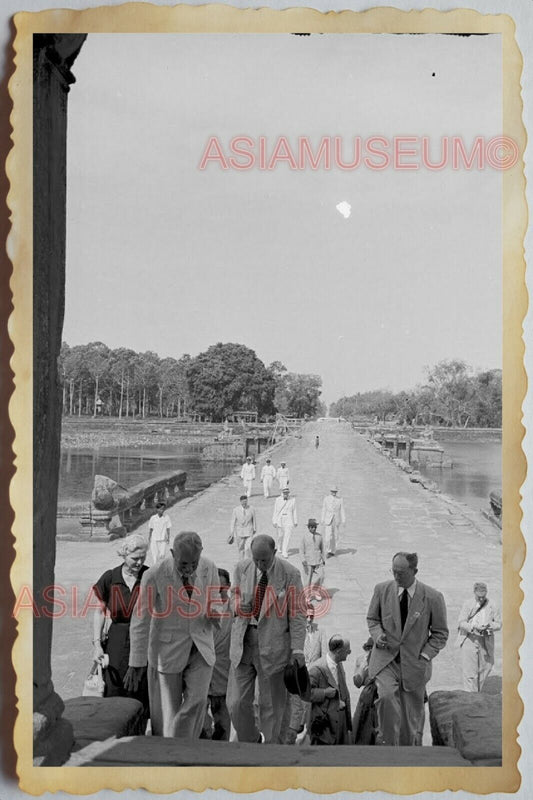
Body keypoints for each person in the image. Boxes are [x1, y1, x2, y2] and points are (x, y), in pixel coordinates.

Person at [124, 531, 219, 739]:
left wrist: (216, 612)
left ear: (201, 553)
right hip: (166, 650)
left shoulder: (209, 567)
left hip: (201, 645)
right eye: (184, 563)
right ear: (172, 553)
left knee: (197, 700)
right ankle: (167, 747)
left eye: (194, 563)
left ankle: (182, 745)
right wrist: (136, 662)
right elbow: (141, 619)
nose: (189, 569)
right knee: (166, 713)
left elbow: (215, 599)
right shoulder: (155, 574)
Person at [228, 534, 306, 743]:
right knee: (236, 704)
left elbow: (298, 615)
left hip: (275, 648)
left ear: (274, 552)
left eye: (265, 560)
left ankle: (269, 752)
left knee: (271, 706)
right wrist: (236, 605)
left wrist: (297, 650)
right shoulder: (241, 568)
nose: (260, 564)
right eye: (256, 559)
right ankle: (251, 740)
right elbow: (232, 596)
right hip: (243, 644)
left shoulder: (290, 574)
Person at [367, 551, 448, 746]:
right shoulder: (381, 590)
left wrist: (426, 655)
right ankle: (387, 744)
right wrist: (378, 636)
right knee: (386, 697)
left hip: (414, 664)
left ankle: (408, 752)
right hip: (386, 660)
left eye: (401, 573)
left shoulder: (433, 597)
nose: (396, 577)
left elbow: (440, 633)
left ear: (415, 571)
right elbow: (373, 619)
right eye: (393, 571)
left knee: (410, 719)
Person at [92, 533, 150, 725]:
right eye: (135, 558)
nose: (139, 562)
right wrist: (97, 645)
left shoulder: (149, 577)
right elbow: (99, 612)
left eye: (143, 557)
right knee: (114, 690)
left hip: (143, 642)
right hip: (116, 642)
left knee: (141, 692)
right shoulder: (110, 578)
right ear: (124, 555)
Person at [283, 602, 326, 744]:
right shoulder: (295, 632)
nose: (309, 618)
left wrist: (312, 668)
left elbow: (323, 656)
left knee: (307, 705)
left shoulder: (320, 633)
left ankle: (303, 732)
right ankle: (293, 732)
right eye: (307, 615)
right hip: (296, 674)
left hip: (311, 674)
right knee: (295, 703)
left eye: (311, 616)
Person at [202, 568, 233, 740]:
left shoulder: (236, 610)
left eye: (221, 588)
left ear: (228, 586)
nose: (218, 592)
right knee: (201, 727)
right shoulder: (200, 609)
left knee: (223, 728)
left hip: (224, 677)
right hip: (202, 678)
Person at [456, 582, 501, 692]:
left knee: (487, 666)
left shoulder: (493, 604)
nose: (481, 598)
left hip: (486, 639)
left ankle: (477, 693)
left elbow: (499, 624)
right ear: (474, 592)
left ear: (486, 593)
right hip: (469, 639)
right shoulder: (468, 604)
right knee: (469, 671)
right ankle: (471, 697)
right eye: (479, 596)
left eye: (483, 596)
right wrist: (472, 627)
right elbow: (461, 622)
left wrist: (490, 626)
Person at [308, 635, 353, 745]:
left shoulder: (339, 665)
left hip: (341, 724)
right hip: (324, 727)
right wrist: (324, 693)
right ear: (338, 651)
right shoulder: (316, 668)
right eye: (348, 651)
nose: (349, 653)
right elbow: (307, 694)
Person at [351, 637, 378, 745]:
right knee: (362, 728)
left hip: (381, 695)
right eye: (368, 649)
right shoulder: (362, 659)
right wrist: (362, 668)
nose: (370, 652)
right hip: (368, 696)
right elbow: (357, 682)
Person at [301, 518, 325, 600]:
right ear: (309, 528)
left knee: (321, 576)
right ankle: (307, 596)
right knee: (307, 579)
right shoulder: (304, 537)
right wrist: (303, 559)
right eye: (312, 527)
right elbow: (301, 550)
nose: (314, 528)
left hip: (318, 560)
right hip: (308, 561)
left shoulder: (319, 536)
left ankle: (316, 591)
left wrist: (323, 559)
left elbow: (322, 549)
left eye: (315, 527)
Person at [272, 486, 298, 558]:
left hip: (289, 519)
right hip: (280, 519)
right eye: (284, 493)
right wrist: (274, 521)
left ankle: (285, 551)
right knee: (280, 536)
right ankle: (279, 547)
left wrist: (295, 521)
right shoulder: (278, 500)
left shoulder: (293, 500)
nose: (286, 494)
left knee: (287, 535)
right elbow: (275, 511)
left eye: (287, 493)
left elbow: (294, 511)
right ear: (282, 493)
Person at [229, 495, 256, 560]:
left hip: (249, 531)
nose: (244, 503)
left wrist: (255, 528)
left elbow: (254, 519)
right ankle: (241, 562)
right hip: (239, 532)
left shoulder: (251, 508)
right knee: (241, 548)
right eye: (243, 502)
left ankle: (248, 562)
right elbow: (233, 521)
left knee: (248, 548)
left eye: (246, 502)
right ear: (240, 502)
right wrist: (232, 532)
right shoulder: (236, 510)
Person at [321, 486, 346, 557]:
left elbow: (342, 510)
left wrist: (343, 520)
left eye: (335, 491)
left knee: (335, 536)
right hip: (328, 519)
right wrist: (322, 519)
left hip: (336, 520)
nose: (334, 493)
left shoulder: (340, 499)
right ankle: (328, 550)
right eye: (333, 491)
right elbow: (324, 509)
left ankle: (333, 551)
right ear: (330, 491)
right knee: (327, 537)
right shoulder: (326, 499)